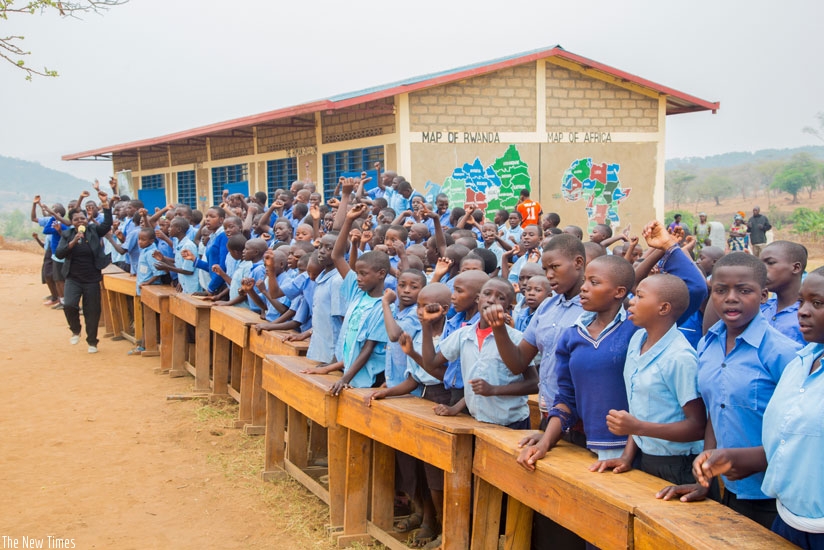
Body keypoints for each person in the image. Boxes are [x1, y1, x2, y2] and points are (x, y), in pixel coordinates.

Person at [656, 252, 801, 529]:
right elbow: (716, 410)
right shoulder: (707, 345)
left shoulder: (783, 353)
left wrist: (751, 459)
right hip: (731, 492)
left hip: (779, 498)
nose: (730, 298)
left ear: (763, 296)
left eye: (744, 290)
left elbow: (798, 432)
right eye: (721, 290)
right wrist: (705, 480)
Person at [690, 267, 824, 549]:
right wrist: (728, 461)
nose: (802, 311)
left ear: (763, 296)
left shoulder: (783, 353)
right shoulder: (801, 363)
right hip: (788, 518)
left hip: (790, 510)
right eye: (801, 302)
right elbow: (790, 436)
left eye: (818, 303)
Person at [589, 274, 706, 485]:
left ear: (663, 308)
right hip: (645, 458)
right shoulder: (637, 340)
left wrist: (638, 427)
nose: (631, 301)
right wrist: (627, 456)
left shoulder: (680, 358)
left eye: (640, 296)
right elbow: (639, 408)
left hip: (678, 466)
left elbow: (698, 426)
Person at [54, 190, 113, 354]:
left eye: (82, 218)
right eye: (76, 219)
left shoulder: (94, 231)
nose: (80, 220)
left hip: (92, 279)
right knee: (69, 304)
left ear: (86, 220)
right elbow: (60, 253)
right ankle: (75, 329)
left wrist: (106, 205)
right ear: (72, 222)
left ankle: (92, 342)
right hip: (73, 278)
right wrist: (73, 241)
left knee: (92, 311)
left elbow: (107, 224)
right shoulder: (67, 234)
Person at [759, 241, 807, 346]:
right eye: (760, 264)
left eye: (770, 263)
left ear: (796, 268)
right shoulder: (761, 309)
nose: (761, 270)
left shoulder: (808, 315)